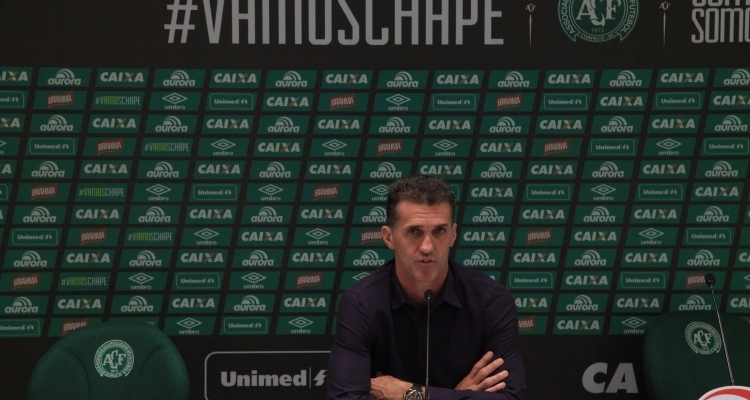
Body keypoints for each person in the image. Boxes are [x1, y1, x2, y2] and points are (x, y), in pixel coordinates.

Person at [328, 175, 525, 400]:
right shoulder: (361, 303)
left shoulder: (491, 301)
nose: (427, 247)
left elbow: (511, 398)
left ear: (453, 234)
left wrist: (413, 395)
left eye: (439, 231)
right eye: (414, 232)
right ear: (388, 237)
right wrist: (457, 396)